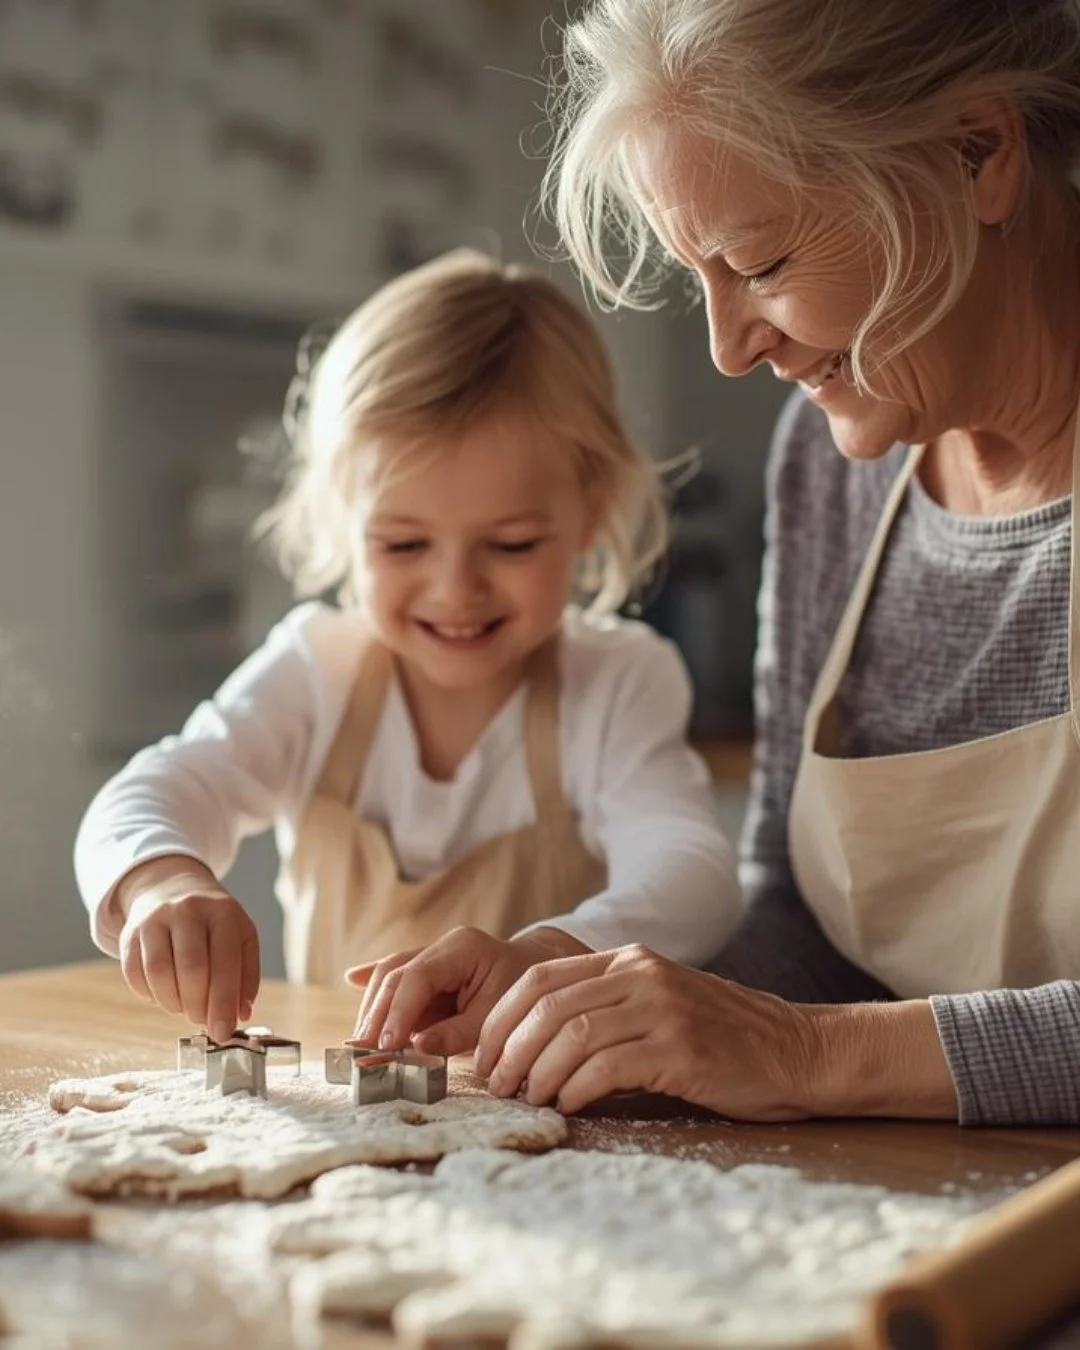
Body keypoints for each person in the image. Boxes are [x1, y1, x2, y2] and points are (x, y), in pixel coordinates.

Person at [352, 0, 1080, 1127]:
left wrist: (814, 1056)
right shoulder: (833, 462)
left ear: (978, 153)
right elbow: (796, 912)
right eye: (701, 276)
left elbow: (809, 1035)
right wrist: (582, 983)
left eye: (763, 261)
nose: (731, 348)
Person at [73, 248, 740, 1046]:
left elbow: (695, 876)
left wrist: (549, 954)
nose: (455, 589)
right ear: (341, 525)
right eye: (402, 545)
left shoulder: (614, 683)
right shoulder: (317, 672)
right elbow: (153, 791)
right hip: (350, 1143)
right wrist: (159, 879)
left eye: (513, 544)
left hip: (564, 1119)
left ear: (591, 515)